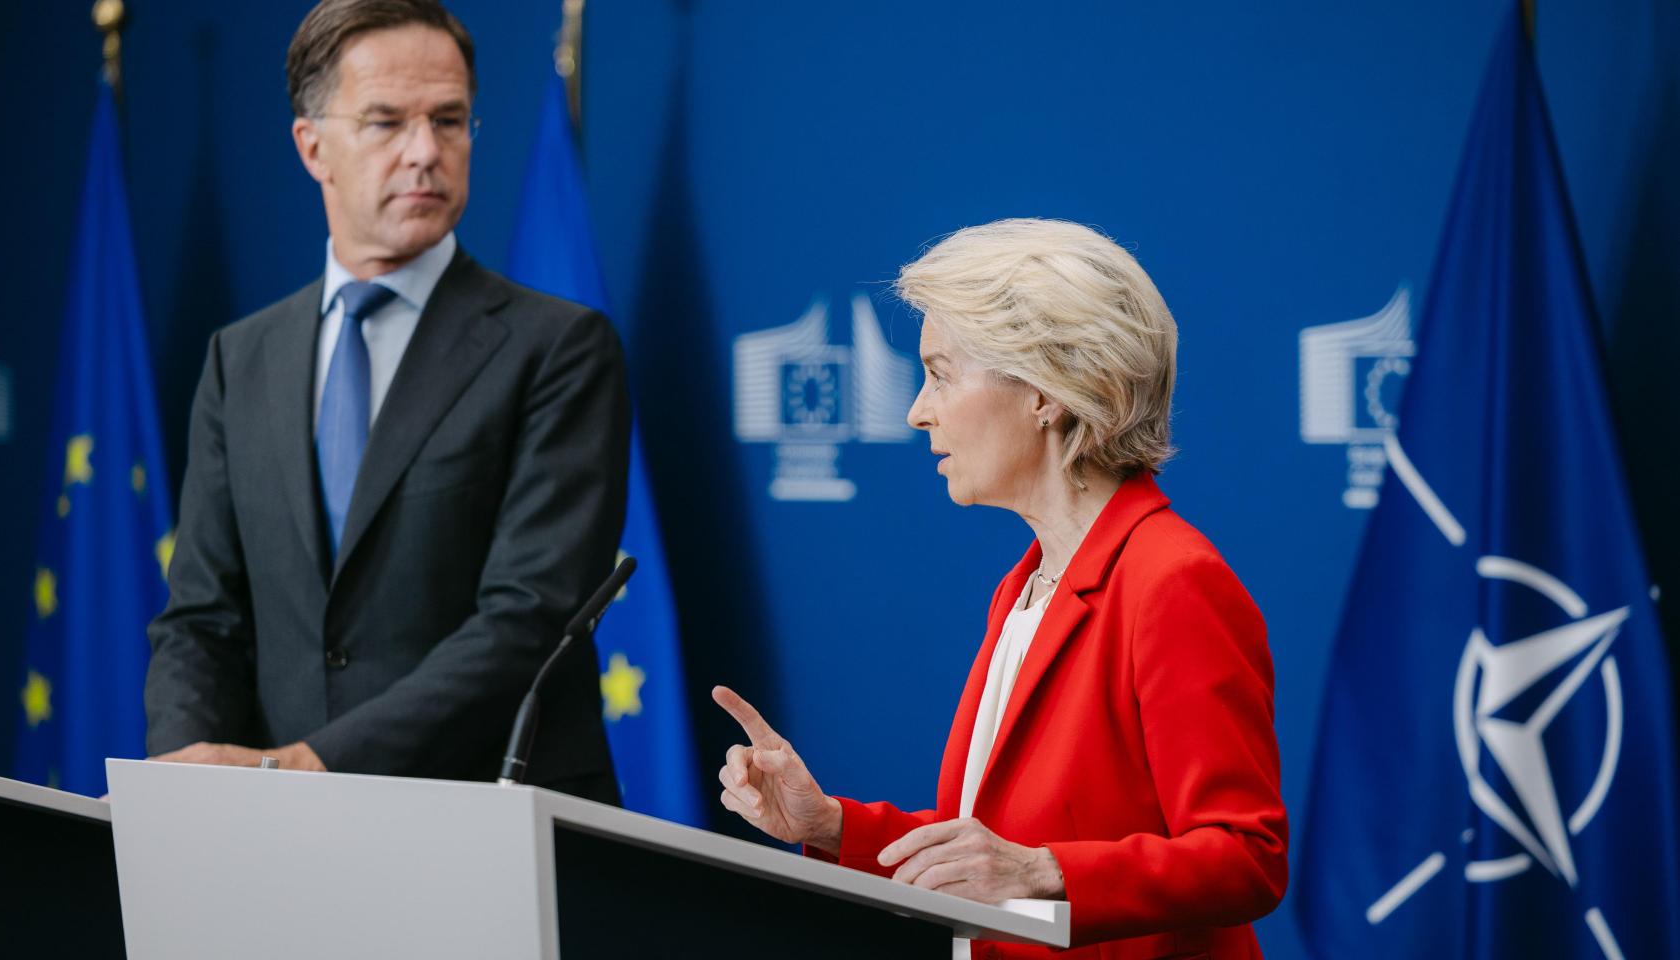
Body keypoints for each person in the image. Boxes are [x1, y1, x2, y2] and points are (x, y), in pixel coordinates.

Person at [714, 219, 1287, 958]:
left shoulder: (1172, 580)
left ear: (1047, 391)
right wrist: (828, 824)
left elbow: (1247, 855)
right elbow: (988, 854)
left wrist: (1044, 872)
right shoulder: (1024, 587)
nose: (917, 410)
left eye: (941, 373)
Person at [143, 0, 627, 803]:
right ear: (312, 147)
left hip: (486, 821)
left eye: (449, 120)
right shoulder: (242, 358)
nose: (424, 152)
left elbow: (526, 619)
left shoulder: (560, 348)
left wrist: (302, 766)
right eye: (385, 122)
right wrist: (189, 779)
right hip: (274, 837)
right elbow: (201, 616)